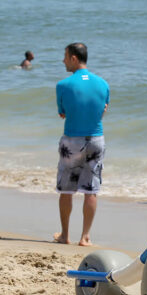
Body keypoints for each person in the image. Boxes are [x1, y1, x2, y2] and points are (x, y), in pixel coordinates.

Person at [55, 42, 108, 246]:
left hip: (72, 140)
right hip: (96, 139)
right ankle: (85, 237)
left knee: (67, 189)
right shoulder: (103, 84)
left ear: (74, 58)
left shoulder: (63, 85)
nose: (63, 60)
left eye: (65, 56)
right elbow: (103, 111)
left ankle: (65, 235)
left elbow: (63, 113)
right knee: (91, 189)